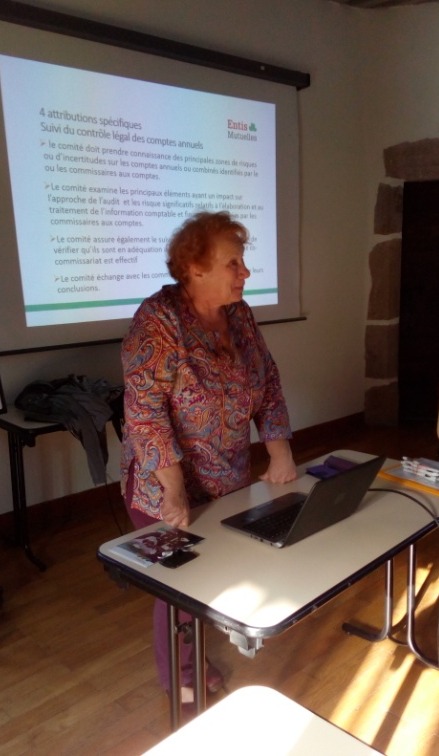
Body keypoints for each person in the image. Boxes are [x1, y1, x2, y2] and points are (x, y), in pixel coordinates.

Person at [120, 210, 297, 704]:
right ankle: (180, 673)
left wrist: (279, 451)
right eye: (233, 264)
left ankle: (208, 635)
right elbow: (145, 414)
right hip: (163, 480)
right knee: (180, 581)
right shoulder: (158, 320)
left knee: (219, 565)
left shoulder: (239, 315)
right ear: (195, 268)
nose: (245, 272)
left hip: (228, 472)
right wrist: (174, 491)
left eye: (243, 262)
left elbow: (267, 382)